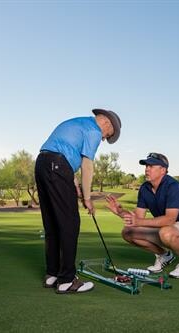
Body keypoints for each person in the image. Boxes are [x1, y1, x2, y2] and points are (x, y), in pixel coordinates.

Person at [35, 108, 121, 294]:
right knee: (70, 224)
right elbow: (87, 165)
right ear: (107, 123)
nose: (104, 138)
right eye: (108, 135)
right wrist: (88, 198)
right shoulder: (94, 130)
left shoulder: (78, 123)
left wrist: (74, 184)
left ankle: (53, 275)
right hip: (57, 166)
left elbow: (64, 154)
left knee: (52, 224)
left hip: (43, 164)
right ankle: (67, 280)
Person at [106, 152, 179, 279]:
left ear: (163, 170)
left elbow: (169, 219)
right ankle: (165, 255)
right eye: (146, 166)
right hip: (165, 228)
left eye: (151, 166)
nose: (147, 169)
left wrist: (138, 222)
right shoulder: (145, 188)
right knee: (128, 232)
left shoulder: (173, 186)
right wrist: (120, 212)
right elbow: (138, 218)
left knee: (166, 232)